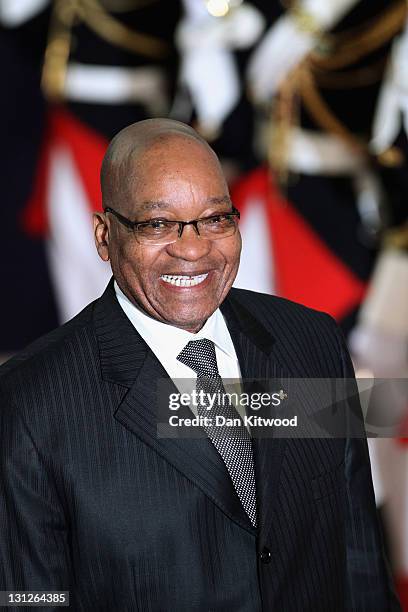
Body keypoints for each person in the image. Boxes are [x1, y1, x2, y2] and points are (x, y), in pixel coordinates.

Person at [0, 119, 401, 611]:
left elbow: (356, 555)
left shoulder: (313, 342)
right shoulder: (28, 402)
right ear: (105, 237)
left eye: (215, 219)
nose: (193, 249)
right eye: (158, 224)